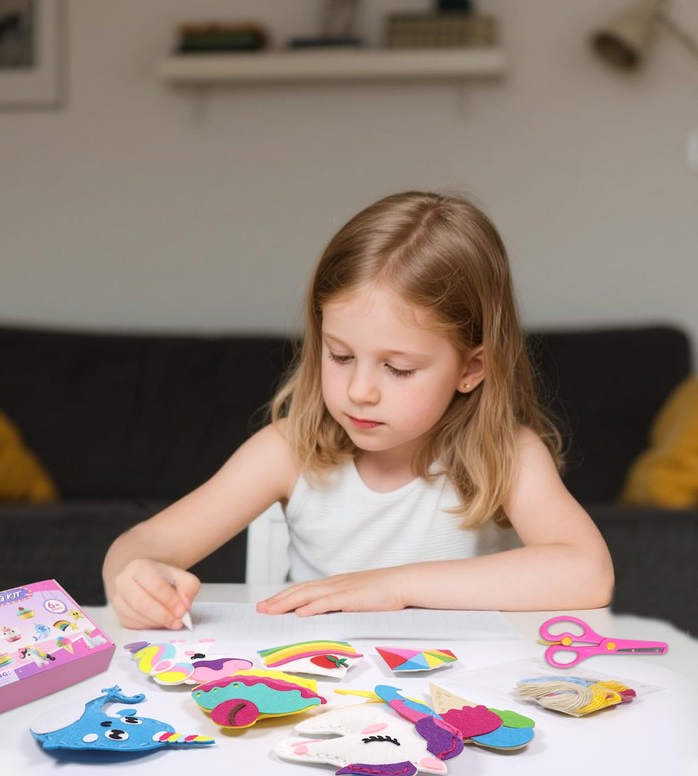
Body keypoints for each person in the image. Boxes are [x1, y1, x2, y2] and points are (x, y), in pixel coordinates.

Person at [103, 191, 614, 629]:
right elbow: (142, 544)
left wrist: (394, 586)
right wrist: (134, 579)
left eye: (399, 368)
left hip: (463, 698)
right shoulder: (287, 450)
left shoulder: (510, 455)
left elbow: (588, 573)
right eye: (341, 356)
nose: (360, 391)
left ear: (471, 367)